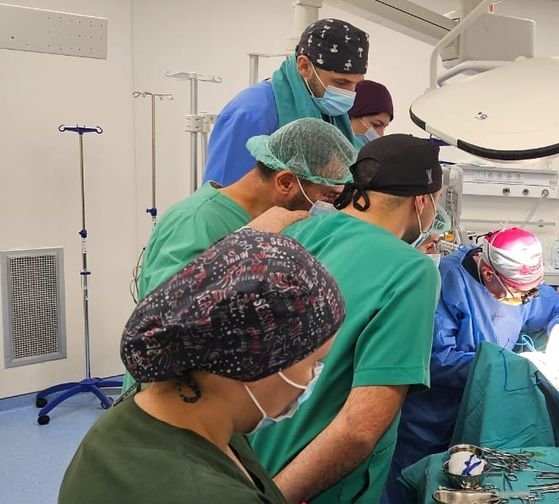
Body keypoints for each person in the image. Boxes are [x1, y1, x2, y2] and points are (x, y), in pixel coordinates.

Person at [59, 229, 346, 504]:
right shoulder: (204, 494)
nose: (313, 377)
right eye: (314, 362)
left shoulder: (130, 423)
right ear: (254, 362)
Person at [249, 134, 443, 504]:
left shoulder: (295, 231)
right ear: (422, 201)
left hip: (241, 468)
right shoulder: (411, 271)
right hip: (305, 489)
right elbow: (358, 429)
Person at [122, 118, 357, 394]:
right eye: (328, 196)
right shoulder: (195, 221)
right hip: (171, 398)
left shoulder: (274, 221)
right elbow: (165, 325)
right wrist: (244, 242)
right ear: (285, 182)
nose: (331, 206)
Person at [388, 227, 559, 502]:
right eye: (517, 293)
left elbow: (557, 308)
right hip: (434, 414)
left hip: (485, 405)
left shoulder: (520, 285)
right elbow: (437, 360)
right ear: (489, 274)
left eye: (529, 294)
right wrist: (507, 365)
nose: (524, 300)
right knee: (417, 483)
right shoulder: (445, 283)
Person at [204, 19, 369, 186]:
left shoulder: (326, 107)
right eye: (341, 82)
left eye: (356, 84)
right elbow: (225, 190)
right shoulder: (252, 111)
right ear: (304, 66)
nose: (350, 93)